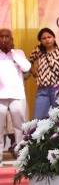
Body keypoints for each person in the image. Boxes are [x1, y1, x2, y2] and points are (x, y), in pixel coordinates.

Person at [28, 29, 59, 120]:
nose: (47, 40)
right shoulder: (38, 50)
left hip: (56, 89)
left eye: (49, 37)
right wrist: (34, 72)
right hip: (42, 89)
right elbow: (29, 62)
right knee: (38, 118)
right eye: (44, 38)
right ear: (40, 41)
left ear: (54, 38)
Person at [0, 30, 29, 159]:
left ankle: (21, 157)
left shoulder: (18, 53)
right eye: (1, 36)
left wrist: (12, 51)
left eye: (7, 37)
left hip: (17, 95)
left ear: (12, 39)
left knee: (19, 127)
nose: (4, 39)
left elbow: (27, 67)